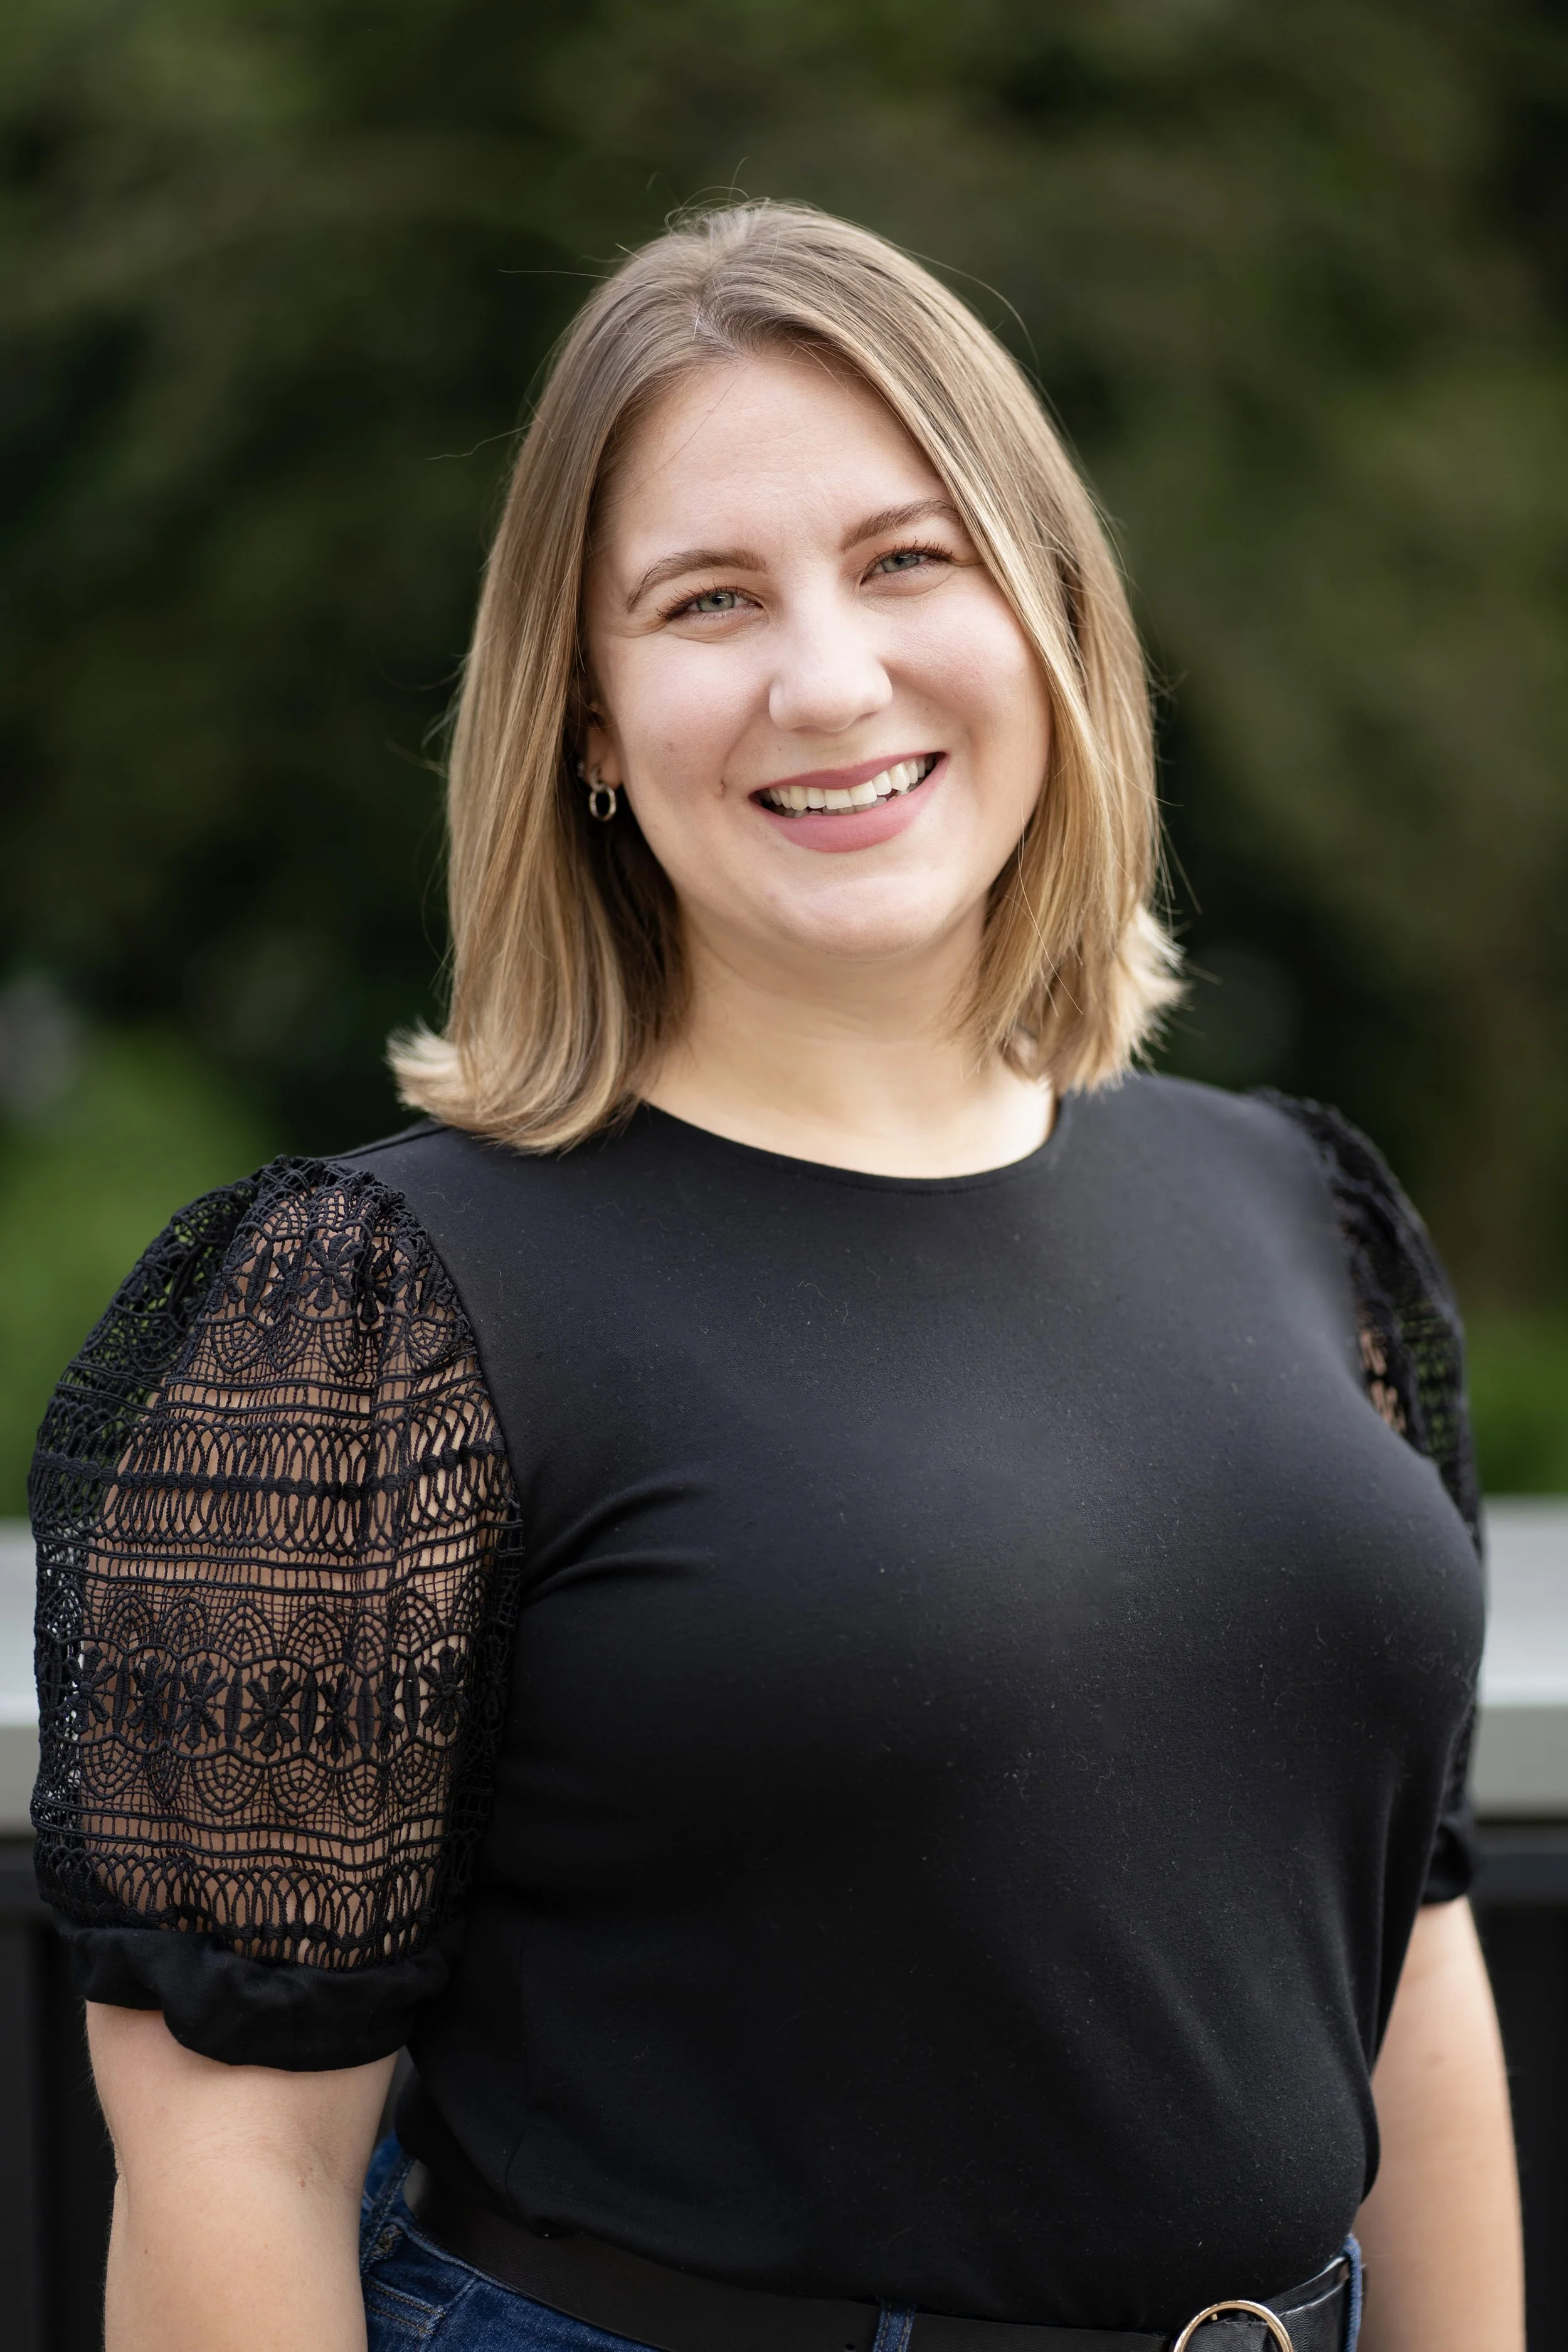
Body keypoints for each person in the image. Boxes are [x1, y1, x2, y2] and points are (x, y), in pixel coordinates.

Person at [29, 203, 1520, 2352]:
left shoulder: (1303, 1211)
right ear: (590, 727)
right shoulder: (366, 1318)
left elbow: (1404, 1953)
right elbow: (227, 2172)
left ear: (1050, 621)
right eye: (707, 600)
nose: (829, 678)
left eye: (909, 559)